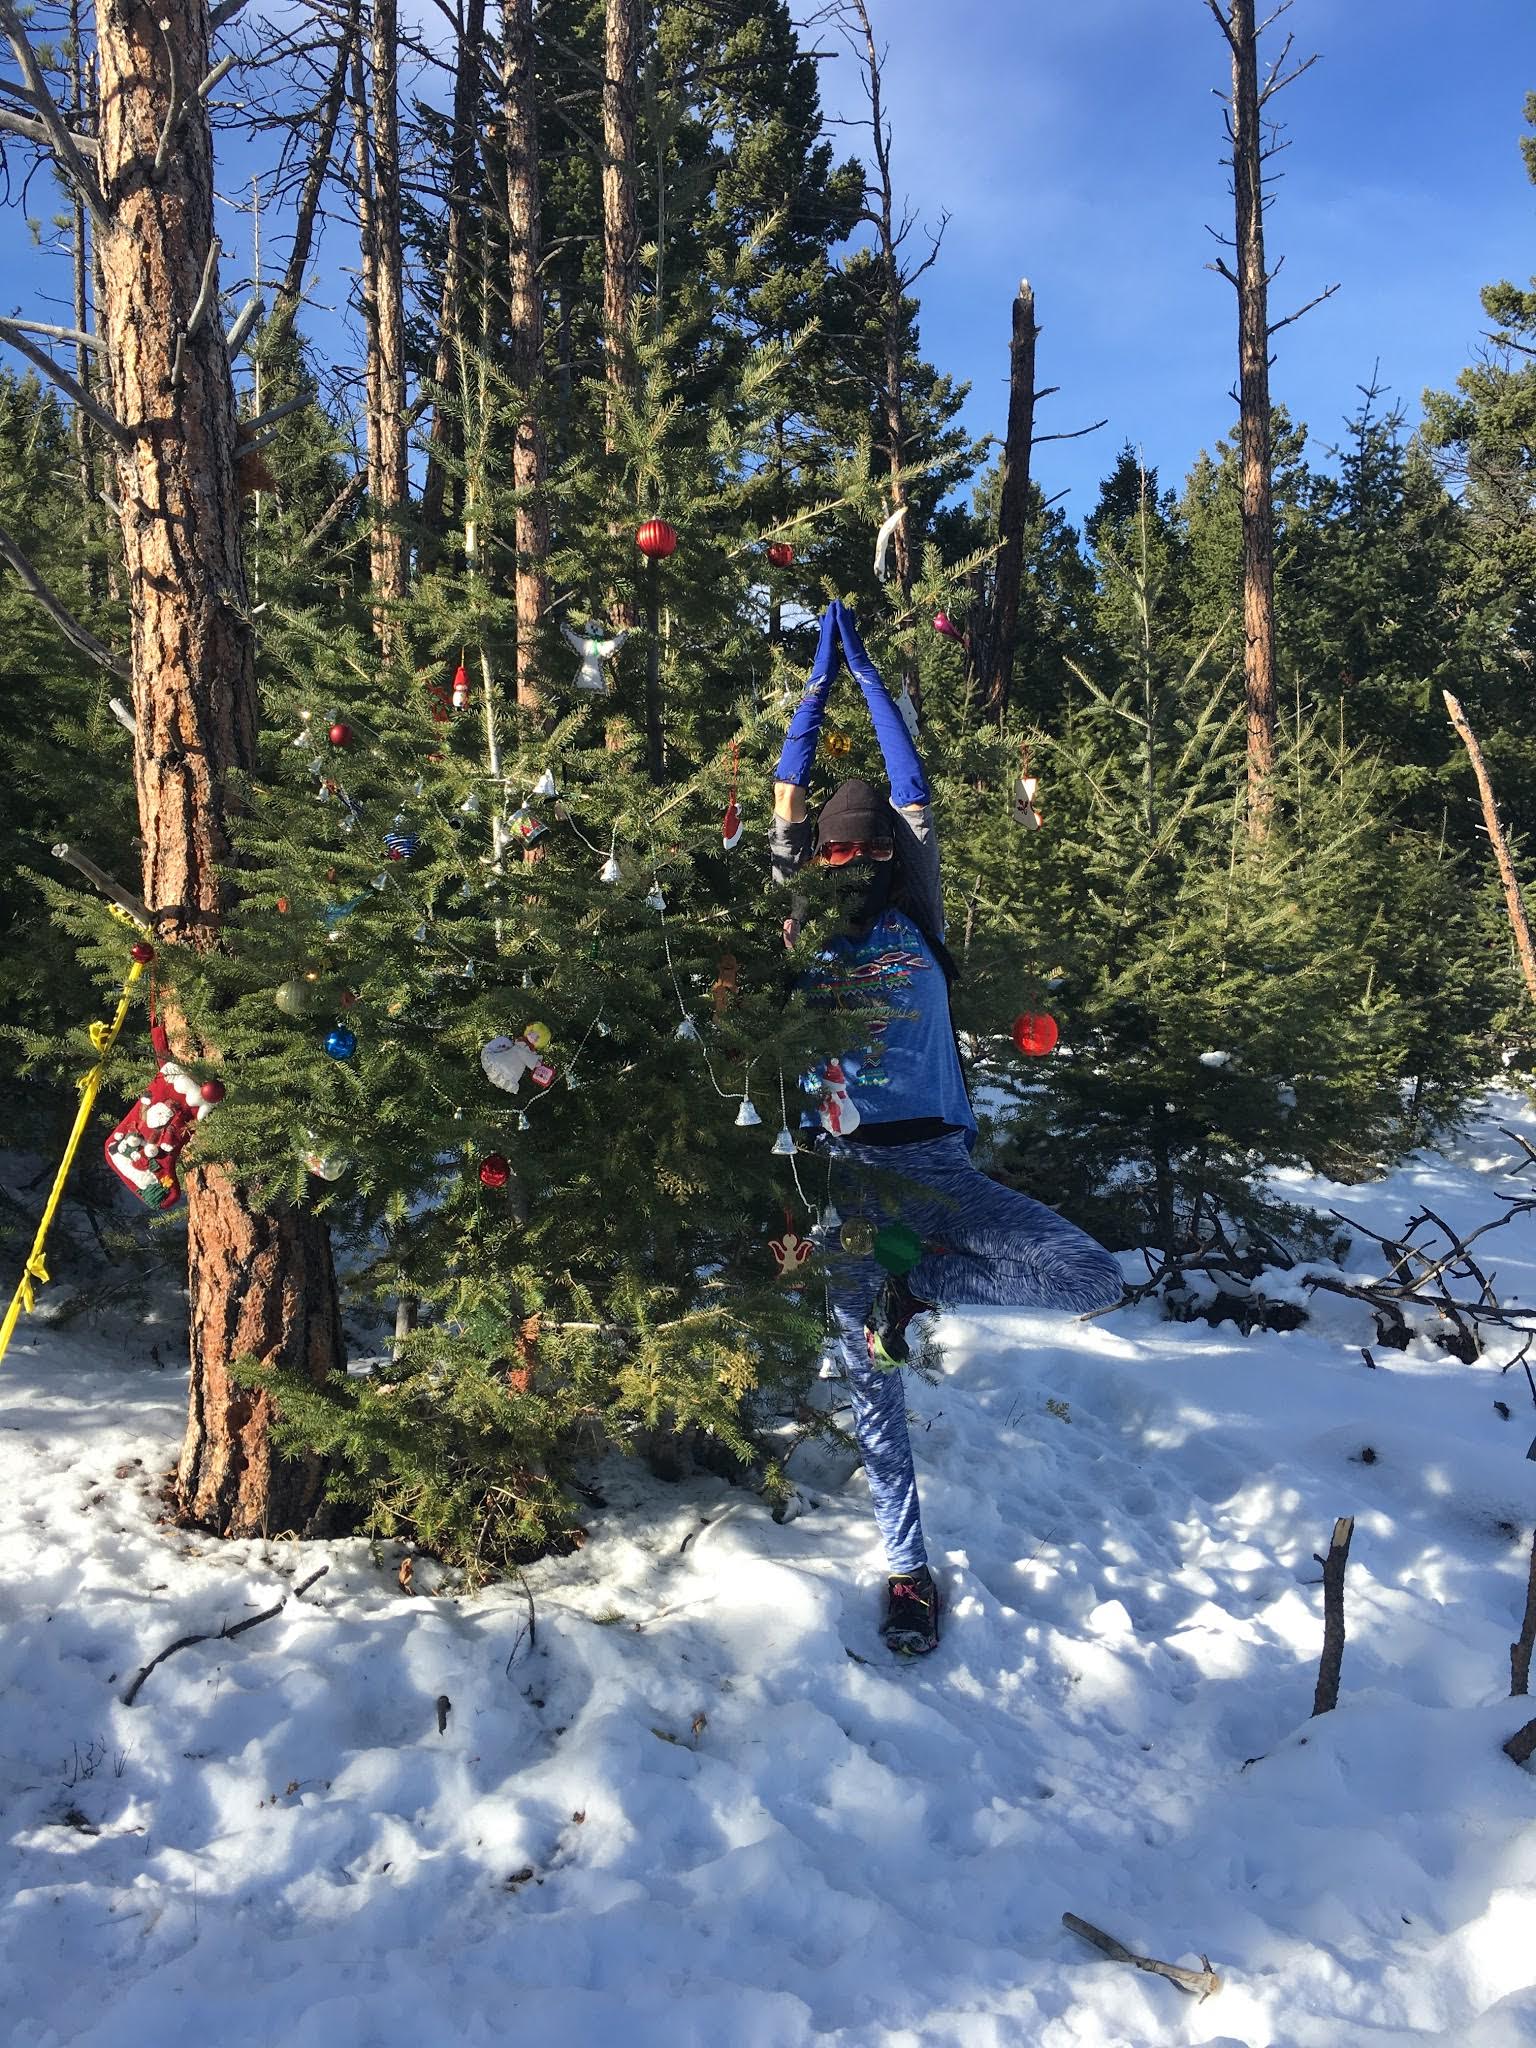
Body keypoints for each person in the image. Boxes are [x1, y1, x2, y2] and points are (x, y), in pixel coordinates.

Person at [770, 601, 1122, 1656]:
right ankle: (907, 1569)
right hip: (844, 1177)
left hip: (938, 1163)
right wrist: (815, 682)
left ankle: (915, 1286)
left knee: (1089, 1277)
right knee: (867, 1384)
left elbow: (912, 782)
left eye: (865, 850)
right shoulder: (798, 905)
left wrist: (869, 676)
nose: (850, 865)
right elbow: (785, 793)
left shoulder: (914, 901)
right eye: (834, 855)